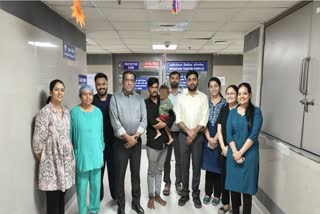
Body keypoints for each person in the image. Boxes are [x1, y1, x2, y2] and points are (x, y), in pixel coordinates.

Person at [32, 79, 75, 214]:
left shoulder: (67, 112)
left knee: (62, 196)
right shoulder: (45, 112)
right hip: (52, 162)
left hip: (66, 162)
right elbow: (38, 141)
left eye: (62, 90)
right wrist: (46, 159)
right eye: (56, 89)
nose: (59, 92)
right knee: (53, 200)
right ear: (51, 92)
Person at [109, 71, 147, 214]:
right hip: (120, 143)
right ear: (122, 82)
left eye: (132, 80)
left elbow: (144, 120)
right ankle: (121, 204)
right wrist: (128, 138)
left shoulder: (139, 99)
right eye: (127, 80)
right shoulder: (115, 99)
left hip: (136, 143)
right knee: (120, 175)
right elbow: (115, 121)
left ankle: (135, 203)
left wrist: (135, 137)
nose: (129, 82)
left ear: (134, 82)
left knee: (136, 174)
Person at [225, 82, 263, 214]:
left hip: (249, 155)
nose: (241, 96)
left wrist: (240, 153)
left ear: (250, 94)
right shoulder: (232, 112)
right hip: (233, 155)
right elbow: (229, 135)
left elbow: (254, 135)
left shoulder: (256, 112)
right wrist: (235, 153)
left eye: (245, 93)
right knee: (234, 191)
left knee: (247, 191)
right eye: (239, 93)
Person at [175, 70, 209, 208]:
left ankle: (195, 194)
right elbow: (178, 119)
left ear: (197, 81)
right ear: (186, 82)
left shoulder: (203, 97)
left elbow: (204, 118)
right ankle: (184, 194)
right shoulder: (181, 98)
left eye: (194, 79)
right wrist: (189, 132)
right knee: (184, 166)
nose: (192, 82)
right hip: (183, 136)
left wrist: (194, 133)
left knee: (196, 167)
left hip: (198, 137)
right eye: (189, 80)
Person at [70, 84, 104, 214]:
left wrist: (101, 148)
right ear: (80, 96)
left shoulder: (97, 112)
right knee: (81, 187)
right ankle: (83, 211)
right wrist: (74, 152)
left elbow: (100, 133)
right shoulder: (74, 112)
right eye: (85, 94)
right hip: (81, 155)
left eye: (90, 94)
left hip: (96, 154)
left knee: (96, 186)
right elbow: (70, 135)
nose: (88, 96)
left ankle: (94, 210)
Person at [145, 77, 176, 209]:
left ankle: (158, 194)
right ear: (148, 88)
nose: (154, 89)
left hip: (164, 143)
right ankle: (151, 196)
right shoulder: (145, 103)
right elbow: (150, 120)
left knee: (159, 170)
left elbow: (172, 115)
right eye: (151, 87)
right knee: (151, 171)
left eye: (156, 87)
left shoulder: (162, 100)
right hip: (153, 142)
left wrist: (165, 123)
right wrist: (162, 124)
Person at [202, 77, 226, 206]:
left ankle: (217, 194)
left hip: (220, 137)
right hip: (207, 135)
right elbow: (203, 120)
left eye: (215, 86)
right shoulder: (206, 103)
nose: (213, 88)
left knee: (218, 168)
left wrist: (216, 138)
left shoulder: (225, 103)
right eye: (211, 86)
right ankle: (207, 193)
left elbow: (223, 122)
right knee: (208, 168)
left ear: (219, 87)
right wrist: (209, 138)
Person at [92, 72, 116, 201]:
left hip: (113, 144)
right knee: (98, 174)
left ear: (107, 84)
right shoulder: (92, 100)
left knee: (113, 172)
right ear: (95, 85)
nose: (101, 86)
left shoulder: (114, 99)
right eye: (98, 84)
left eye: (103, 84)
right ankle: (98, 197)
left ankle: (115, 196)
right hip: (97, 145)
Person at [216, 85, 239, 214]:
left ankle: (235, 206)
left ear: (236, 96)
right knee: (224, 176)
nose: (229, 95)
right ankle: (226, 204)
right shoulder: (224, 109)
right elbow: (219, 130)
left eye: (232, 93)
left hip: (236, 149)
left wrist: (231, 150)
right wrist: (223, 147)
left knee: (235, 178)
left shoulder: (241, 110)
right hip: (223, 148)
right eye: (228, 93)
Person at [163, 71, 183, 196]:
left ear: (179, 80)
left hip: (180, 132)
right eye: (172, 78)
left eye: (176, 78)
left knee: (179, 160)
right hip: (167, 132)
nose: (174, 80)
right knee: (166, 159)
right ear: (169, 80)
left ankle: (178, 183)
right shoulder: (165, 95)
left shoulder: (184, 95)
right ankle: (167, 183)